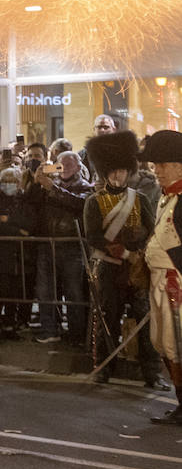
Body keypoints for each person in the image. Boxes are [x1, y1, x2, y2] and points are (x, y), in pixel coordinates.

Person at [83, 131, 165, 387]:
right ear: (105, 173)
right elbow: (93, 236)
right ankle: (103, 369)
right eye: (113, 171)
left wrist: (137, 249)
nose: (117, 175)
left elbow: (152, 231)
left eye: (121, 171)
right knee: (107, 321)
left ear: (128, 171)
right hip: (109, 268)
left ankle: (152, 374)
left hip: (136, 269)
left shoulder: (140, 199)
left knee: (144, 322)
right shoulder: (94, 202)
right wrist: (117, 249)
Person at [27, 150, 91, 345]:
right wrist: (36, 181)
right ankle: (49, 330)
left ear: (79, 167)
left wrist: (52, 188)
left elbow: (78, 204)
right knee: (45, 291)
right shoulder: (49, 186)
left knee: (73, 292)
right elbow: (31, 201)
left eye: (69, 165)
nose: (64, 169)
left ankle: (76, 334)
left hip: (71, 247)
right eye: (60, 165)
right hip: (48, 245)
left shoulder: (85, 187)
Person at [141, 130, 182, 424]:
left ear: (179, 165)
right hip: (161, 283)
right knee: (166, 345)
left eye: (162, 165)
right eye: (155, 166)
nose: (156, 172)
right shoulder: (166, 198)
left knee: (178, 346)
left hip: (177, 285)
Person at [0, 168, 34, 339]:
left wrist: (9, 220)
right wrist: (19, 230)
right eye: (6, 180)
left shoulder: (24, 201)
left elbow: (30, 223)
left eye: (13, 180)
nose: (9, 183)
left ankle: (10, 324)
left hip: (18, 256)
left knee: (14, 291)